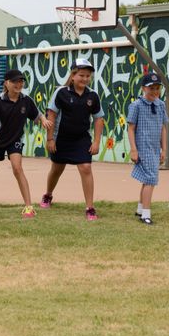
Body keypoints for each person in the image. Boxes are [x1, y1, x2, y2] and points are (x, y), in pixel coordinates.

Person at [0, 69, 52, 218]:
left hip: (15, 140)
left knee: (18, 169)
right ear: (6, 83)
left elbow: (38, 114)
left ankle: (29, 207)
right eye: (15, 81)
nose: (19, 84)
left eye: (21, 81)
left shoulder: (26, 100)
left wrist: (43, 120)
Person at [40, 58, 105, 221]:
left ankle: (90, 208)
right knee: (57, 169)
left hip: (81, 139)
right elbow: (51, 115)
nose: (84, 79)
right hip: (60, 139)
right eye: (81, 75)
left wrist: (96, 142)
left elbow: (99, 119)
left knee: (86, 168)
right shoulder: (61, 92)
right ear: (73, 75)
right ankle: (48, 195)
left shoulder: (93, 95)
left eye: (88, 76)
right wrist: (50, 139)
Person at [126, 71, 169, 225]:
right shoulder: (136, 105)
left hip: (154, 148)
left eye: (158, 88)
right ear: (144, 88)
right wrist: (134, 149)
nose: (155, 92)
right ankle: (146, 214)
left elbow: (163, 128)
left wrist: (164, 149)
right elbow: (131, 128)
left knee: (147, 179)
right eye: (152, 88)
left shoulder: (161, 105)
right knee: (151, 179)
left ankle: (140, 209)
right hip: (143, 148)